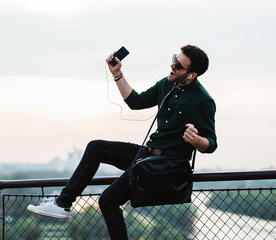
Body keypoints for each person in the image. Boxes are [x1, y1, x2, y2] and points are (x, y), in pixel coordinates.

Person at [27, 45, 217, 239]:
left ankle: (63, 203)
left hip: (164, 166)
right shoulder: (166, 84)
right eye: (174, 58)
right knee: (96, 148)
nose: (172, 64)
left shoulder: (203, 100)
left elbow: (211, 143)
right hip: (147, 155)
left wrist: (196, 140)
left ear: (191, 75)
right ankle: (63, 204)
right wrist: (117, 74)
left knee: (108, 201)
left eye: (178, 64)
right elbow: (136, 102)